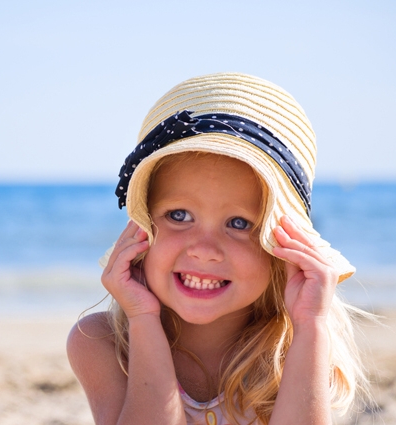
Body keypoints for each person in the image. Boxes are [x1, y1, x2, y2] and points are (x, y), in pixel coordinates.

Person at [66, 73, 370, 425]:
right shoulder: (102, 342)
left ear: (280, 247)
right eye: (179, 215)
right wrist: (143, 320)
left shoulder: (294, 346)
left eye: (239, 223)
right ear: (142, 228)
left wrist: (311, 324)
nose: (205, 250)